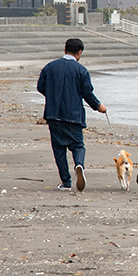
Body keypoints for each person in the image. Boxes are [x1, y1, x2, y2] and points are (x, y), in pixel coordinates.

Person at [37, 37, 106, 191]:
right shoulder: (81, 70)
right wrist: (98, 106)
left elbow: (40, 86)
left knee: (58, 149)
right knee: (78, 145)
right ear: (79, 53)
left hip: (53, 114)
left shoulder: (50, 67)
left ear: (64, 49)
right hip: (74, 114)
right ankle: (79, 165)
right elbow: (87, 93)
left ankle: (66, 182)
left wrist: (53, 96)